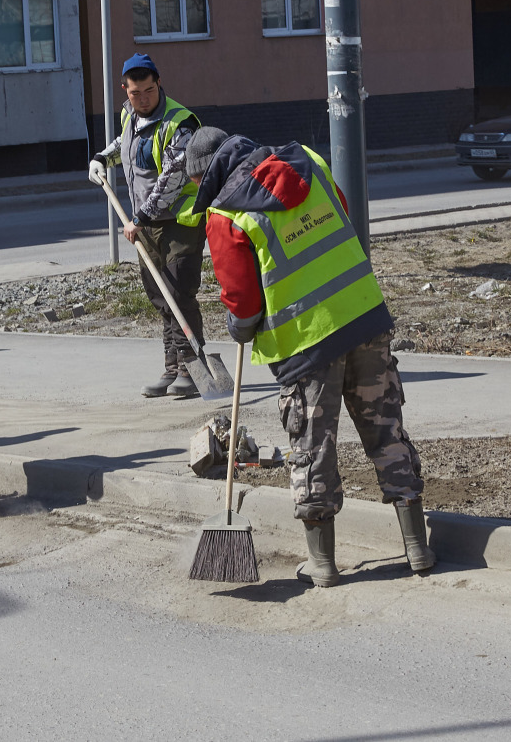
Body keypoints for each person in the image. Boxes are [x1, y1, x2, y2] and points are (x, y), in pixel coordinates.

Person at [185, 126, 435, 587]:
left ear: (207, 175)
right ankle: (418, 549)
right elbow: (340, 215)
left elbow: (242, 301)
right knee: (386, 431)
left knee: (312, 450)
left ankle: (323, 565)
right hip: (364, 317)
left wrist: (239, 328)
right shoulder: (308, 162)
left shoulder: (225, 215)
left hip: (307, 344)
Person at [88, 53, 206, 398]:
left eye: (149, 91)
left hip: (179, 222)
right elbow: (125, 145)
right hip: (147, 225)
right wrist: (101, 159)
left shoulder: (180, 123)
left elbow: (170, 178)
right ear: (125, 90)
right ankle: (172, 368)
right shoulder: (129, 115)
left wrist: (141, 217)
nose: (143, 99)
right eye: (135, 93)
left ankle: (193, 369)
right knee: (159, 295)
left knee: (179, 292)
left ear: (159, 83)